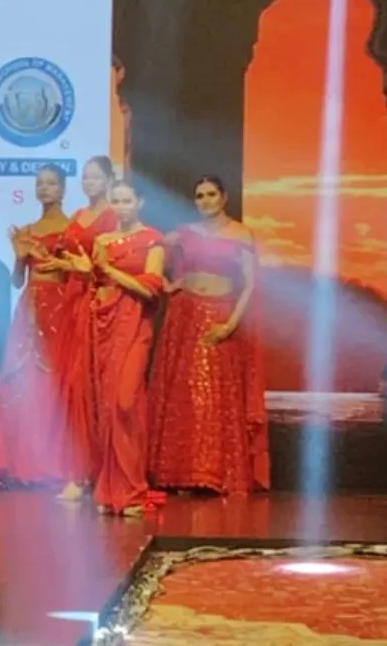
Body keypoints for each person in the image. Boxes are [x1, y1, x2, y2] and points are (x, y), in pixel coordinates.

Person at [148, 176, 269, 495]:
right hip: (185, 315)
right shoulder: (184, 233)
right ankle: (179, 473)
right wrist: (166, 282)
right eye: (199, 195)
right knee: (184, 394)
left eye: (211, 194)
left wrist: (229, 325)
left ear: (224, 197)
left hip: (219, 315)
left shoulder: (241, 233)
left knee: (215, 395)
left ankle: (214, 475)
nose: (205, 200)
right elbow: (148, 248)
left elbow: (250, 285)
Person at [86, 180, 167, 517]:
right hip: (105, 325)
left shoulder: (153, 240)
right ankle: (110, 490)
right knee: (107, 405)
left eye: (127, 201)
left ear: (139, 203)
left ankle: (133, 488)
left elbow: (150, 289)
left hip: (135, 325)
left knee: (126, 402)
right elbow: (95, 283)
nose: (121, 207)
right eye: (116, 201)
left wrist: (111, 271)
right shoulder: (101, 241)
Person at [0, 164, 76, 487]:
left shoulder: (72, 229)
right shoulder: (27, 231)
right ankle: (21, 464)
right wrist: (19, 256)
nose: (45, 188)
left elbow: (76, 275)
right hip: (30, 307)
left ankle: (52, 465)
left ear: (63, 189)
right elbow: (17, 281)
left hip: (60, 308)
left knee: (53, 381)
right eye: (40, 183)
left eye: (51, 183)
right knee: (22, 381)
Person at [51, 155, 118, 501]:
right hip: (72, 300)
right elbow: (65, 259)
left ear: (108, 180)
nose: (89, 183)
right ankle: (74, 468)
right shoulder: (78, 215)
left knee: (89, 382)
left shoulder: (113, 215)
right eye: (85, 177)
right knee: (70, 382)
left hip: (96, 299)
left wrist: (86, 268)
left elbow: (115, 265)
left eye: (95, 177)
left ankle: (92, 471)